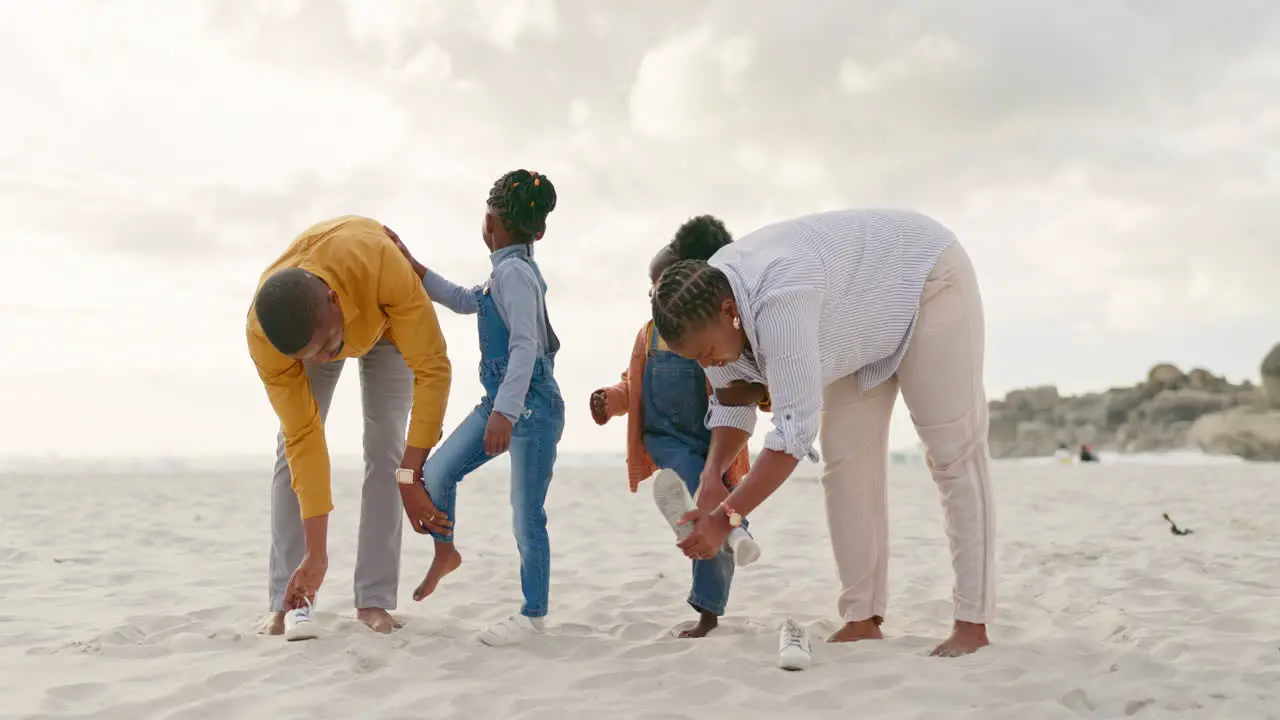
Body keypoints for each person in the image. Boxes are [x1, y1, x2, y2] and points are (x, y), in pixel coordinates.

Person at [651, 208, 996, 657]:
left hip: (923, 279)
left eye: (708, 352)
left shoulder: (780, 301)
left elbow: (792, 434)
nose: (708, 364)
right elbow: (732, 404)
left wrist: (726, 519)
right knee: (846, 465)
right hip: (853, 324)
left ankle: (972, 623)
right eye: (696, 358)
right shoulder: (712, 314)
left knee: (952, 458)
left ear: (729, 311)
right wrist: (712, 478)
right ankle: (862, 617)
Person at [247, 216, 452, 635]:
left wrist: (412, 475)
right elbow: (305, 438)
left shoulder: (382, 263)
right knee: (290, 448)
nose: (323, 360)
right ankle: (286, 601)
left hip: (387, 322)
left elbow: (433, 368)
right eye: (311, 355)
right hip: (315, 330)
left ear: (333, 300)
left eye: (325, 347)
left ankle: (373, 600)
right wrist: (317, 553)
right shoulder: (265, 337)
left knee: (386, 449)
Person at [393, 170, 565, 647]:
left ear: (489, 220)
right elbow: (465, 300)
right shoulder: (503, 272)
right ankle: (446, 553)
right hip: (503, 402)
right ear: (541, 230)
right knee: (439, 473)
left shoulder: (515, 273)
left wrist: (505, 413)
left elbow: (527, 346)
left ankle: (533, 614)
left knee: (526, 513)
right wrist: (414, 266)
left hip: (529, 406)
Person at [590, 216, 769, 639]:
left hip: (710, 442)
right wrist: (609, 400)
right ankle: (735, 531)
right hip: (666, 442)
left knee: (706, 513)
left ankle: (710, 603)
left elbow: (743, 389)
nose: (655, 296)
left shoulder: (717, 333)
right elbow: (631, 384)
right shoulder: (648, 336)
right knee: (698, 497)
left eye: (662, 286)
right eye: (653, 289)